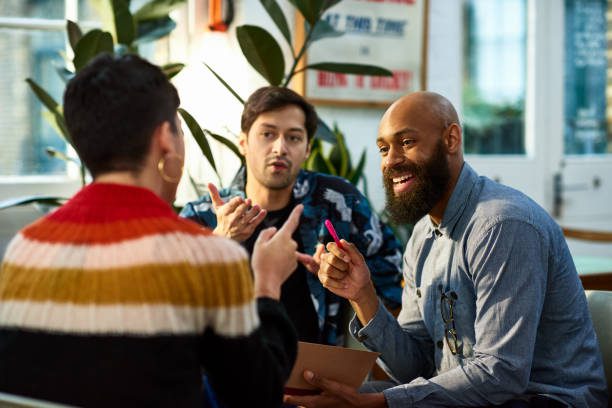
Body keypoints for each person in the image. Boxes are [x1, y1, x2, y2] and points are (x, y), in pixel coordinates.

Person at [0, 54, 300, 408]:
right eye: (180, 129)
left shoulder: (25, 247)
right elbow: (255, 397)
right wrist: (266, 283)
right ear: (165, 140)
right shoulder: (209, 257)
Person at [285, 91, 609, 407]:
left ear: (451, 139)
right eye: (384, 149)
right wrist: (362, 295)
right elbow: (417, 367)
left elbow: (502, 374)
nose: (392, 160)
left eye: (407, 142)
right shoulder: (423, 235)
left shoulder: (502, 225)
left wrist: (380, 401)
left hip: (542, 398)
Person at [181, 86, 404, 346]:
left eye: (294, 137)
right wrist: (219, 241)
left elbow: (395, 278)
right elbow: (166, 304)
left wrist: (349, 276)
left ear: (308, 148)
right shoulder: (204, 215)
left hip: (316, 374)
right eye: (267, 134)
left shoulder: (337, 201)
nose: (280, 148)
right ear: (243, 143)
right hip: (227, 374)